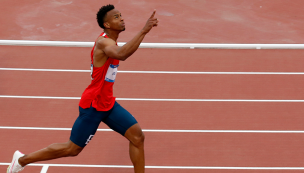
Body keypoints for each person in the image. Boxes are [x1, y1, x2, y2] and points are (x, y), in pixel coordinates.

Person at [7, 4, 158, 173]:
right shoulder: (103, 42)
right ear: (107, 25)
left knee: (137, 137)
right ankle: (21, 160)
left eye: (121, 15)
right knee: (72, 149)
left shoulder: (111, 41)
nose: (122, 18)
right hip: (93, 104)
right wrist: (144, 31)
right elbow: (122, 54)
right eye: (116, 17)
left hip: (107, 102)